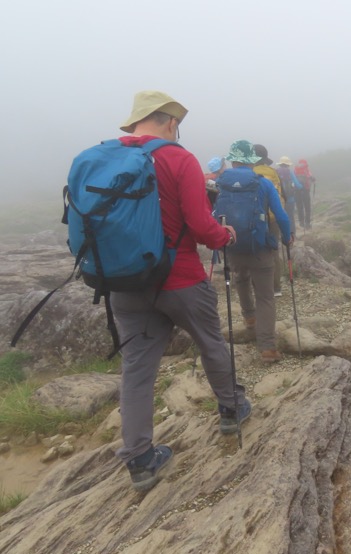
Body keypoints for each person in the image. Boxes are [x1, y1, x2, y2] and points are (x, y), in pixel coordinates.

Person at [112, 91, 251, 491]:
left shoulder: (106, 158)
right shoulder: (178, 158)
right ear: (171, 122)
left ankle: (140, 459)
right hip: (181, 279)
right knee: (210, 342)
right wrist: (223, 234)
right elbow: (201, 226)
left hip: (125, 283)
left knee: (136, 371)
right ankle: (231, 408)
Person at [219, 140, 292, 363]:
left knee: (240, 279)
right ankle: (267, 348)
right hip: (260, 247)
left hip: (232, 245)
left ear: (233, 160)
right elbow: (280, 215)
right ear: (252, 161)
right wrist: (287, 237)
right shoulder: (263, 183)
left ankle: (249, 318)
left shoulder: (222, 183)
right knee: (266, 296)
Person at [253, 144, 286, 297]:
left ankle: (260, 287)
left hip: (254, 218)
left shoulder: (250, 173)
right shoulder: (272, 172)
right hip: (273, 217)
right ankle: (276, 288)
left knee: (256, 251)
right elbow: (283, 195)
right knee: (273, 252)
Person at [275, 156, 303, 237]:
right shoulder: (290, 172)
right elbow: (297, 185)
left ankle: (282, 235)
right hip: (290, 199)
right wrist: (301, 186)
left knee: (280, 217)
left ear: (280, 164)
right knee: (290, 217)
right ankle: (292, 235)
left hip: (280, 200)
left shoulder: (276, 172)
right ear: (288, 164)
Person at [293, 158, 315, 230]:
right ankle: (307, 223)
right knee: (307, 207)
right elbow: (311, 178)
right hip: (306, 190)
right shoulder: (306, 170)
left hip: (297, 191)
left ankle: (301, 222)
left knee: (300, 207)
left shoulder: (295, 170)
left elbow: (292, 180)